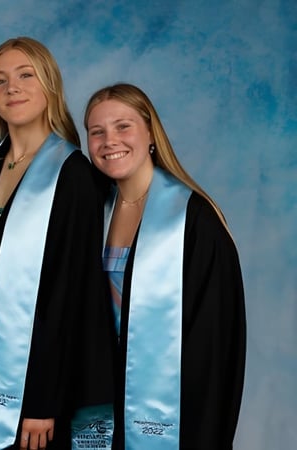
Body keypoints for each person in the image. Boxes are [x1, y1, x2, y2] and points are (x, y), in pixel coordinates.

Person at [0, 37, 114, 450]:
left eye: (26, 75)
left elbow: (68, 294)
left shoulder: (72, 175)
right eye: (0, 81)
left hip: (35, 391)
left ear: (49, 86)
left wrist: (41, 399)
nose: (12, 88)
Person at [83, 83, 246, 449]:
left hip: (171, 414)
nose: (110, 140)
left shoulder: (194, 221)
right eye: (97, 132)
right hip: (102, 406)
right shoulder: (94, 210)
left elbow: (215, 347)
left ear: (150, 133)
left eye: (123, 126)